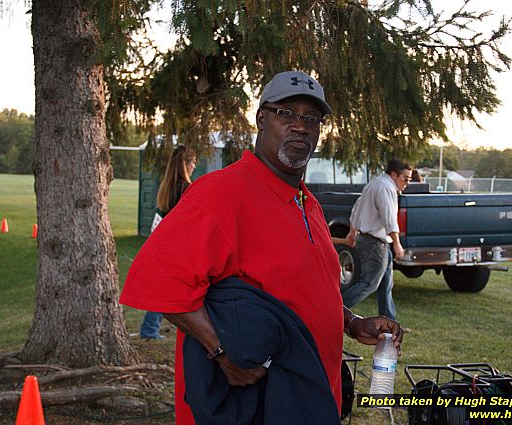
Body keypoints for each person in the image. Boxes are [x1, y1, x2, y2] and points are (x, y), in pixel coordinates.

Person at [120, 70, 403, 425]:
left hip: (310, 395)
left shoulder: (307, 203)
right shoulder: (221, 193)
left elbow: (303, 290)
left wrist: (352, 322)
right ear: (261, 119)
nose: (300, 126)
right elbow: (155, 282)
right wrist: (223, 354)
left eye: (311, 118)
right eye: (287, 113)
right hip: (257, 403)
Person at [342, 159, 412, 319]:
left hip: (376, 241)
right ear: (394, 174)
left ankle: (389, 323)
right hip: (374, 242)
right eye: (405, 179)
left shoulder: (374, 184)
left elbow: (357, 207)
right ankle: (335, 309)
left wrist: (353, 230)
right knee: (369, 283)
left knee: (386, 284)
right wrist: (397, 243)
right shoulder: (385, 187)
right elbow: (388, 218)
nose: (407, 183)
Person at [139, 146, 197, 341]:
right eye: (192, 162)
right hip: (179, 247)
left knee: (166, 289)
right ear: (186, 165)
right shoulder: (186, 189)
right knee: (173, 290)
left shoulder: (166, 187)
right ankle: (150, 329)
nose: (195, 166)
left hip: (166, 244)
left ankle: (150, 328)